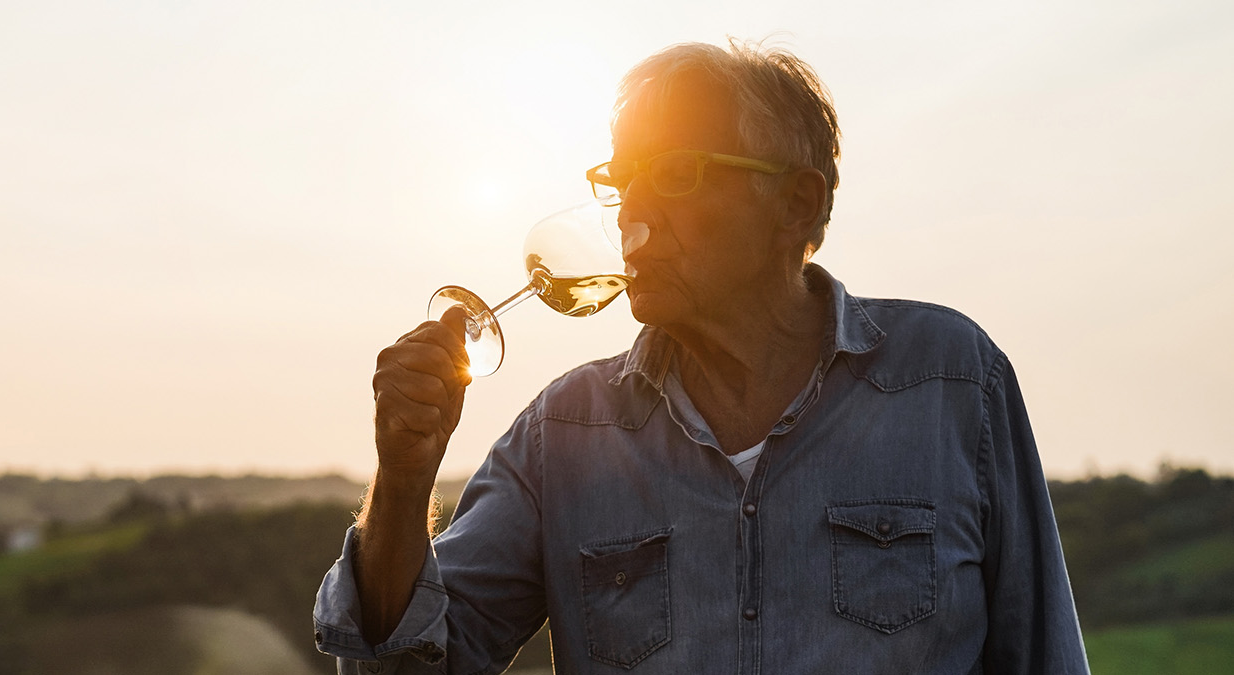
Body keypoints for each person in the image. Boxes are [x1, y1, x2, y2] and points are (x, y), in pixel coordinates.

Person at [312, 40, 1090, 674]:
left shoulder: (950, 379)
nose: (634, 212)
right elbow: (405, 665)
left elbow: (1043, 655)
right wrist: (404, 475)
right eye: (623, 181)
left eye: (676, 174)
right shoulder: (565, 433)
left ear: (796, 204)